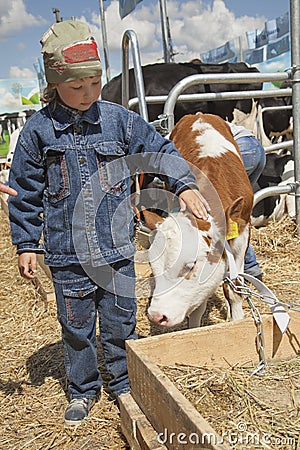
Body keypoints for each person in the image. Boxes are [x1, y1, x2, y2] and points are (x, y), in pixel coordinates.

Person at [8, 20, 209, 427]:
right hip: (67, 256)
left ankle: (123, 381)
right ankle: (82, 389)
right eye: (76, 87)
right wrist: (27, 243)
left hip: (115, 251)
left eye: (95, 83)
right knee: (77, 327)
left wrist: (183, 184)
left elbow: (158, 150)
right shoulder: (38, 132)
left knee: (121, 322)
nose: (87, 95)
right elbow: (25, 192)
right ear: (54, 83)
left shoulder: (119, 121)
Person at [228, 122, 266, 280]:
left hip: (239, 150)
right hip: (255, 145)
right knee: (238, 213)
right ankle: (251, 268)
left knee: (225, 212)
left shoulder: (171, 143)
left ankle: (240, 267)